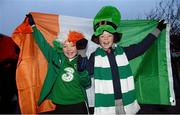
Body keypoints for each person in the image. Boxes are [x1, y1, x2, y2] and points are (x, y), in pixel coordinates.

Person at [78, 6, 166, 114]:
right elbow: (85, 77)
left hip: (126, 103)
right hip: (107, 104)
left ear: (114, 38)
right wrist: (81, 54)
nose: (106, 39)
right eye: (102, 36)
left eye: (109, 36)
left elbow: (142, 47)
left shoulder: (123, 52)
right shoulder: (95, 56)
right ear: (98, 39)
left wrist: (157, 30)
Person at [27, 14, 91, 114]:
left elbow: (87, 83)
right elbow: (43, 44)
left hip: (78, 104)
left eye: (72, 46)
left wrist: (82, 71)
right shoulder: (56, 58)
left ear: (78, 47)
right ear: (61, 48)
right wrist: (33, 26)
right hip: (60, 105)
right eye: (65, 46)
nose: (69, 49)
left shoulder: (82, 60)